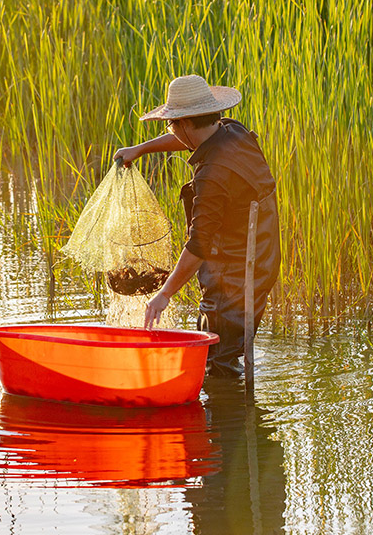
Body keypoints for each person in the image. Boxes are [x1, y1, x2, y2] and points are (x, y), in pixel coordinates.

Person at [113, 74, 282, 376]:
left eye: (173, 124)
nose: (172, 130)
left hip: (232, 278)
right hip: (261, 262)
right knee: (226, 352)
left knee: (217, 364)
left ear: (185, 123)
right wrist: (140, 149)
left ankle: (224, 419)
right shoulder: (232, 131)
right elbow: (193, 140)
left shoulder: (213, 176)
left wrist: (164, 294)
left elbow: (199, 243)